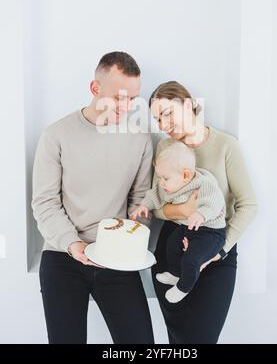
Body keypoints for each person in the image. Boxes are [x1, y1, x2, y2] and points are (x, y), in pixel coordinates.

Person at [32, 51, 154, 344]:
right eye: (118, 98)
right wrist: (73, 244)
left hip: (116, 257)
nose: (126, 107)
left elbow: (142, 203)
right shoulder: (56, 135)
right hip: (63, 255)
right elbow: (44, 202)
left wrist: (127, 245)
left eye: (132, 99)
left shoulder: (140, 138)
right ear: (95, 89)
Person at [149, 80, 258, 344]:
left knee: (202, 338)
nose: (163, 125)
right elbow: (158, 208)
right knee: (178, 338)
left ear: (188, 104)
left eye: (167, 114)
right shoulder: (165, 149)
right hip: (172, 250)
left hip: (216, 249)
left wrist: (218, 253)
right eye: (157, 119)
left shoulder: (225, 146)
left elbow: (249, 204)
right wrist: (184, 210)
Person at [131, 141, 226, 303]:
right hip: (189, 226)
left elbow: (215, 202)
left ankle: (184, 288)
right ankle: (175, 274)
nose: (161, 182)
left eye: (165, 178)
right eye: (160, 177)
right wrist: (144, 205)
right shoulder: (168, 185)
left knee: (192, 259)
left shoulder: (204, 184)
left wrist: (202, 214)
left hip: (211, 231)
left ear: (185, 175)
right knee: (172, 244)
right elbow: (155, 194)